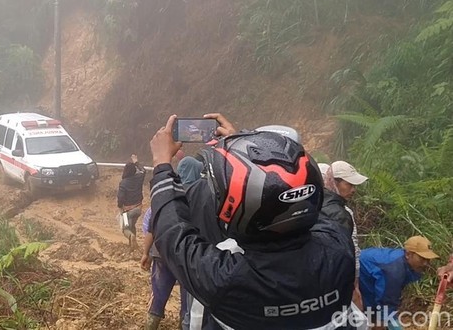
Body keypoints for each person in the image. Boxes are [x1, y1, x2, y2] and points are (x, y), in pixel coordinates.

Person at [148, 113, 358, 329]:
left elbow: (172, 231)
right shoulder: (340, 250)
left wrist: (162, 163)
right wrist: (239, 142)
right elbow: (310, 201)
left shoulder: (226, 280)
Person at [140, 157, 202, 330]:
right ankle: (183, 325)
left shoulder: (167, 193)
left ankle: (151, 325)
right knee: (187, 299)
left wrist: (146, 253)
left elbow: (152, 226)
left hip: (161, 252)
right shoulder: (202, 195)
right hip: (187, 257)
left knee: (159, 293)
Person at [359, 235, 441, 329]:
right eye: (422, 258)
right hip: (355, 279)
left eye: (428, 259)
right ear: (408, 254)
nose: (426, 263)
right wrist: (381, 322)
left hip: (369, 286)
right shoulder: (394, 270)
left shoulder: (406, 264)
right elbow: (386, 299)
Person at [322, 161, 368, 310]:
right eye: (349, 184)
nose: (353, 190)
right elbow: (351, 251)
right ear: (334, 182)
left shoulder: (310, 206)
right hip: (339, 281)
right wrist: (354, 286)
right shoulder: (342, 213)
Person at [117, 154, 146, 250]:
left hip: (126, 212)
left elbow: (120, 198)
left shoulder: (123, 183)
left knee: (125, 228)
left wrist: (120, 207)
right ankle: (133, 245)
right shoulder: (138, 178)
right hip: (138, 209)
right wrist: (136, 162)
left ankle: (131, 237)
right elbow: (143, 170)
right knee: (132, 225)